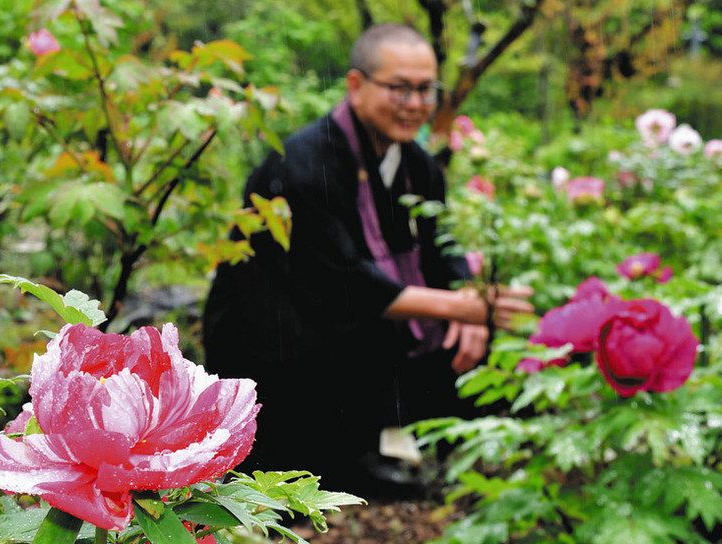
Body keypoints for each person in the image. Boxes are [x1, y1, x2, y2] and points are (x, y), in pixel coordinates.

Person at [204, 23, 530, 494]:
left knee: (472, 342)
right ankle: (348, 459)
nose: (415, 104)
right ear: (356, 86)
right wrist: (462, 307)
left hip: (355, 324)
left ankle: (407, 448)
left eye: (425, 90)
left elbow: (443, 247)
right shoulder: (305, 161)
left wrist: (470, 302)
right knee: (301, 468)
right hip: (277, 339)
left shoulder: (416, 164)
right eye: (399, 88)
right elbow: (340, 283)